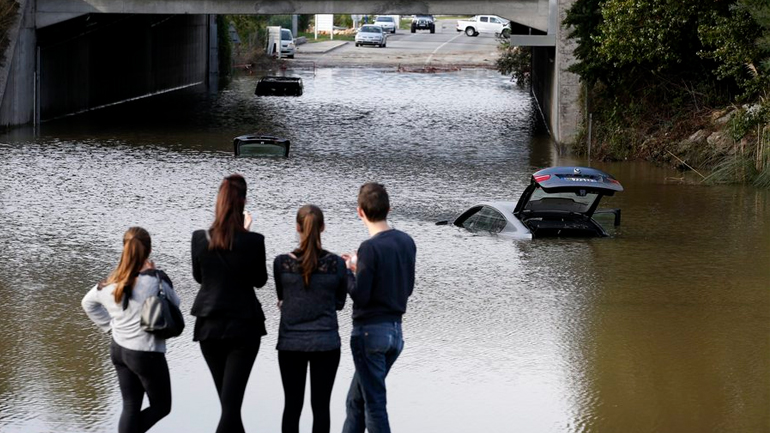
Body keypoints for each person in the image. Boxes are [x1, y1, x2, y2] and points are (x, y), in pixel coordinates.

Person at [82, 227, 179, 433]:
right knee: (162, 406)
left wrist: (109, 327)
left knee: (130, 407)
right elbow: (175, 304)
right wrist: (155, 274)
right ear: (149, 250)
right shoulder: (156, 279)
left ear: (124, 249)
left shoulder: (109, 283)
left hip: (118, 349)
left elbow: (87, 303)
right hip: (146, 353)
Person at [190, 174, 267, 433]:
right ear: (243, 202)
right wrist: (246, 233)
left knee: (228, 406)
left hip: (209, 327)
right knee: (231, 407)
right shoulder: (254, 241)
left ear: (219, 202)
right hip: (244, 327)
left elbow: (200, 277)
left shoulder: (200, 238)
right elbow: (259, 280)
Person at [341, 183, 417, 433]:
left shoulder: (369, 248)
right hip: (395, 334)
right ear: (389, 209)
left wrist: (348, 273)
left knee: (374, 405)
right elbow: (406, 288)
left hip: (369, 334)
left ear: (360, 211)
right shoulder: (406, 241)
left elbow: (361, 296)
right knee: (356, 401)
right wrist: (358, 268)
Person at [273, 205, 347, 433]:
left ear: (297, 227)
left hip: (290, 343)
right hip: (326, 343)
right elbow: (340, 303)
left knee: (292, 406)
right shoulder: (337, 264)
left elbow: (282, 298)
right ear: (323, 228)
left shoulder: (281, 263)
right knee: (321, 407)